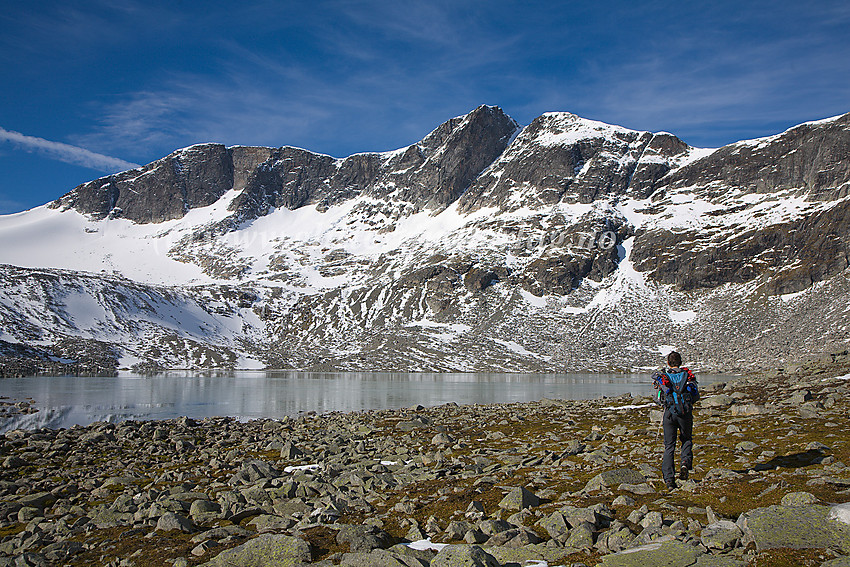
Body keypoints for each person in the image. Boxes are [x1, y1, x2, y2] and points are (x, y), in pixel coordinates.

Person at [652, 351, 699, 490]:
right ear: (681, 362)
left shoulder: (664, 377)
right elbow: (696, 396)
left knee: (669, 446)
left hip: (669, 414)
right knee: (686, 439)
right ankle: (685, 463)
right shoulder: (688, 376)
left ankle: (669, 480)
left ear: (668, 363)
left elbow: (657, 398)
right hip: (685, 413)